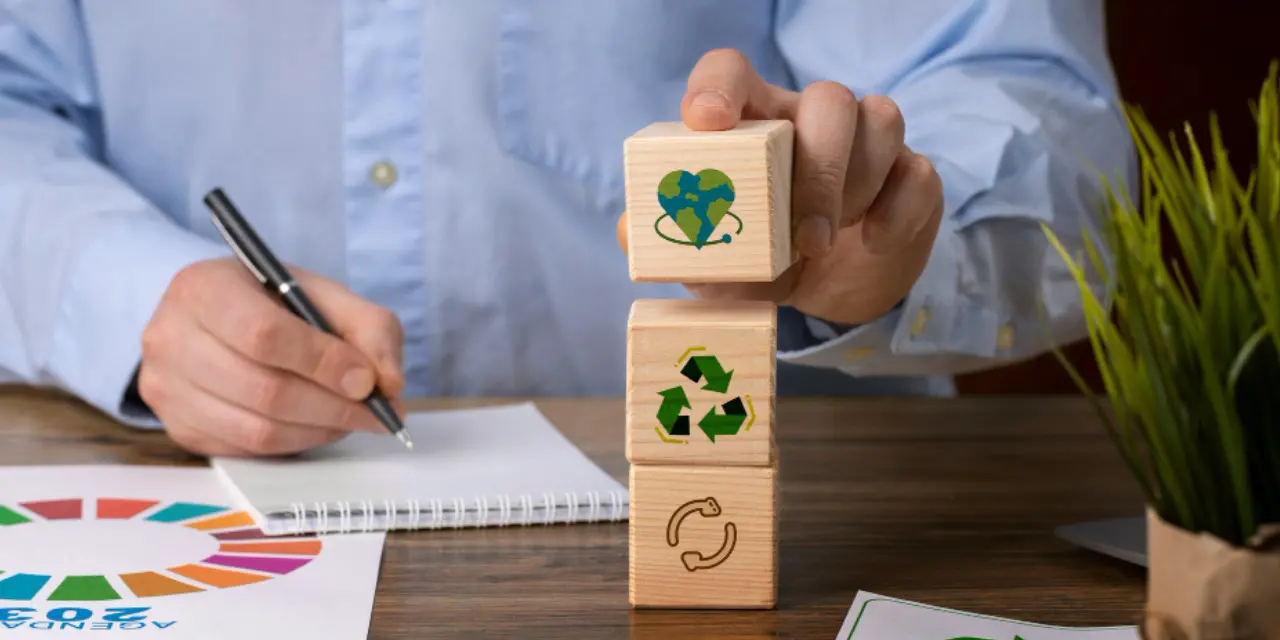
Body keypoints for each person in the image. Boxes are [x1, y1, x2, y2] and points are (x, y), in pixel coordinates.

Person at [0, 1, 1134, 457]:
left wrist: (894, 234)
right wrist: (123, 290)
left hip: (798, 507)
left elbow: (1041, 119)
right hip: (190, 498)